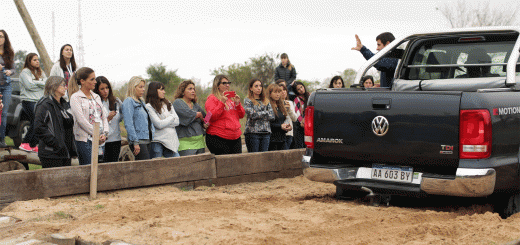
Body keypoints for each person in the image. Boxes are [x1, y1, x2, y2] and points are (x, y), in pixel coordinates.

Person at [34, 76, 76, 168]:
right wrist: (57, 144)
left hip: (65, 152)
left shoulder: (63, 104)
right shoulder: (45, 104)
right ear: (54, 86)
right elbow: (39, 127)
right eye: (63, 85)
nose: (66, 87)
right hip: (51, 154)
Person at [69, 67, 109, 165]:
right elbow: (81, 120)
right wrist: (96, 134)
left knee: (99, 170)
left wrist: (105, 133)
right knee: (88, 170)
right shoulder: (75, 97)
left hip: (100, 140)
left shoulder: (96, 96)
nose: (95, 82)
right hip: (85, 140)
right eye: (92, 79)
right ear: (82, 81)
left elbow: (103, 116)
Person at [205, 75, 245, 155]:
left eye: (228, 83)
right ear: (217, 85)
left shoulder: (231, 98)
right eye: (224, 83)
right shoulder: (211, 98)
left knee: (237, 164)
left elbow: (241, 115)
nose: (227, 85)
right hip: (218, 137)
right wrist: (222, 103)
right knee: (225, 165)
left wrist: (238, 104)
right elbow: (211, 117)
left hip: (235, 136)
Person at [19, 53, 47, 152]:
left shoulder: (40, 72)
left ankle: (32, 144)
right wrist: (41, 83)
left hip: (39, 101)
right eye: (34, 60)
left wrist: (37, 82)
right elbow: (29, 85)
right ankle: (25, 143)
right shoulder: (25, 72)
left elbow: (46, 83)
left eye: (38, 59)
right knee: (36, 120)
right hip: (28, 101)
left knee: (39, 122)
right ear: (29, 61)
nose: (37, 61)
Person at [145, 81, 180, 158]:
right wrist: (171, 117)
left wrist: (164, 120)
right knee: (156, 167)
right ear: (154, 91)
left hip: (171, 141)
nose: (164, 92)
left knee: (177, 165)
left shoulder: (168, 103)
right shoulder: (149, 106)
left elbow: (177, 121)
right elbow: (159, 125)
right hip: (157, 141)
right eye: (161, 89)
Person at [173, 80, 207, 156]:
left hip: (200, 142)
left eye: (194, 89)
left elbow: (206, 117)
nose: (193, 91)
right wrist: (197, 115)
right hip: (185, 143)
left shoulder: (195, 105)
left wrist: (205, 123)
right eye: (190, 89)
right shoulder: (178, 102)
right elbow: (187, 115)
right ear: (182, 92)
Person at [122, 76, 153, 160]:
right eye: (140, 87)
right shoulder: (129, 101)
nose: (143, 89)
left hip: (147, 139)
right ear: (133, 87)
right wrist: (135, 142)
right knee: (144, 168)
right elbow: (129, 123)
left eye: (144, 87)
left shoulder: (142, 102)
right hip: (138, 141)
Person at [94, 76, 122, 163]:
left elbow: (122, 116)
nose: (105, 91)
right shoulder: (95, 102)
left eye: (107, 88)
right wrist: (107, 119)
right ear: (97, 90)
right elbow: (94, 121)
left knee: (114, 167)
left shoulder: (116, 101)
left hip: (116, 140)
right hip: (102, 141)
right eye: (102, 89)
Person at [243, 78, 274, 153]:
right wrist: (265, 112)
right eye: (256, 86)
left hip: (266, 133)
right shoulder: (248, 100)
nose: (259, 88)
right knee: (254, 159)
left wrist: (258, 113)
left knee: (264, 159)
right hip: (253, 133)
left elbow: (272, 116)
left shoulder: (266, 100)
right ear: (251, 88)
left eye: (260, 86)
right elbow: (252, 115)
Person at [0, 30, 15, 148]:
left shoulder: (9, 53)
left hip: (7, 86)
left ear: (5, 39)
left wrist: (11, 71)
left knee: (4, 113)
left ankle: (2, 139)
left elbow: (14, 69)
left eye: (1, 36)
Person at [267, 83, 291, 151]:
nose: (278, 94)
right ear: (270, 94)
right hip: (271, 140)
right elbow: (267, 123)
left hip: (282, 139)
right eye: (275, 92)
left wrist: (287, 127)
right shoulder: (267, 105)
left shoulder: (281, 105)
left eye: (279, 92)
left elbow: (283, 120)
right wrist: (280, 126)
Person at [276, 80, 298, 150]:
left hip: (289, 133)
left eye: (285, 90)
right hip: (279, 132)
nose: (283, 92)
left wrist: (289, 109)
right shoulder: (275, 103)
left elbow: (295, 119)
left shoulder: (290, 103)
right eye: (281, 90)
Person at [292, 81, 309, 149]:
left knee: (308, 146)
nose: (301, 90)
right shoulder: (297, 100)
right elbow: (297, 113)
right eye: (298, 89)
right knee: (300, 146)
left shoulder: (310, 96)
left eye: (301, 87)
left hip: (309, 126)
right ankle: (302, 160)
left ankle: (308, 159)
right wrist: (303, 121)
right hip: (301, 126)